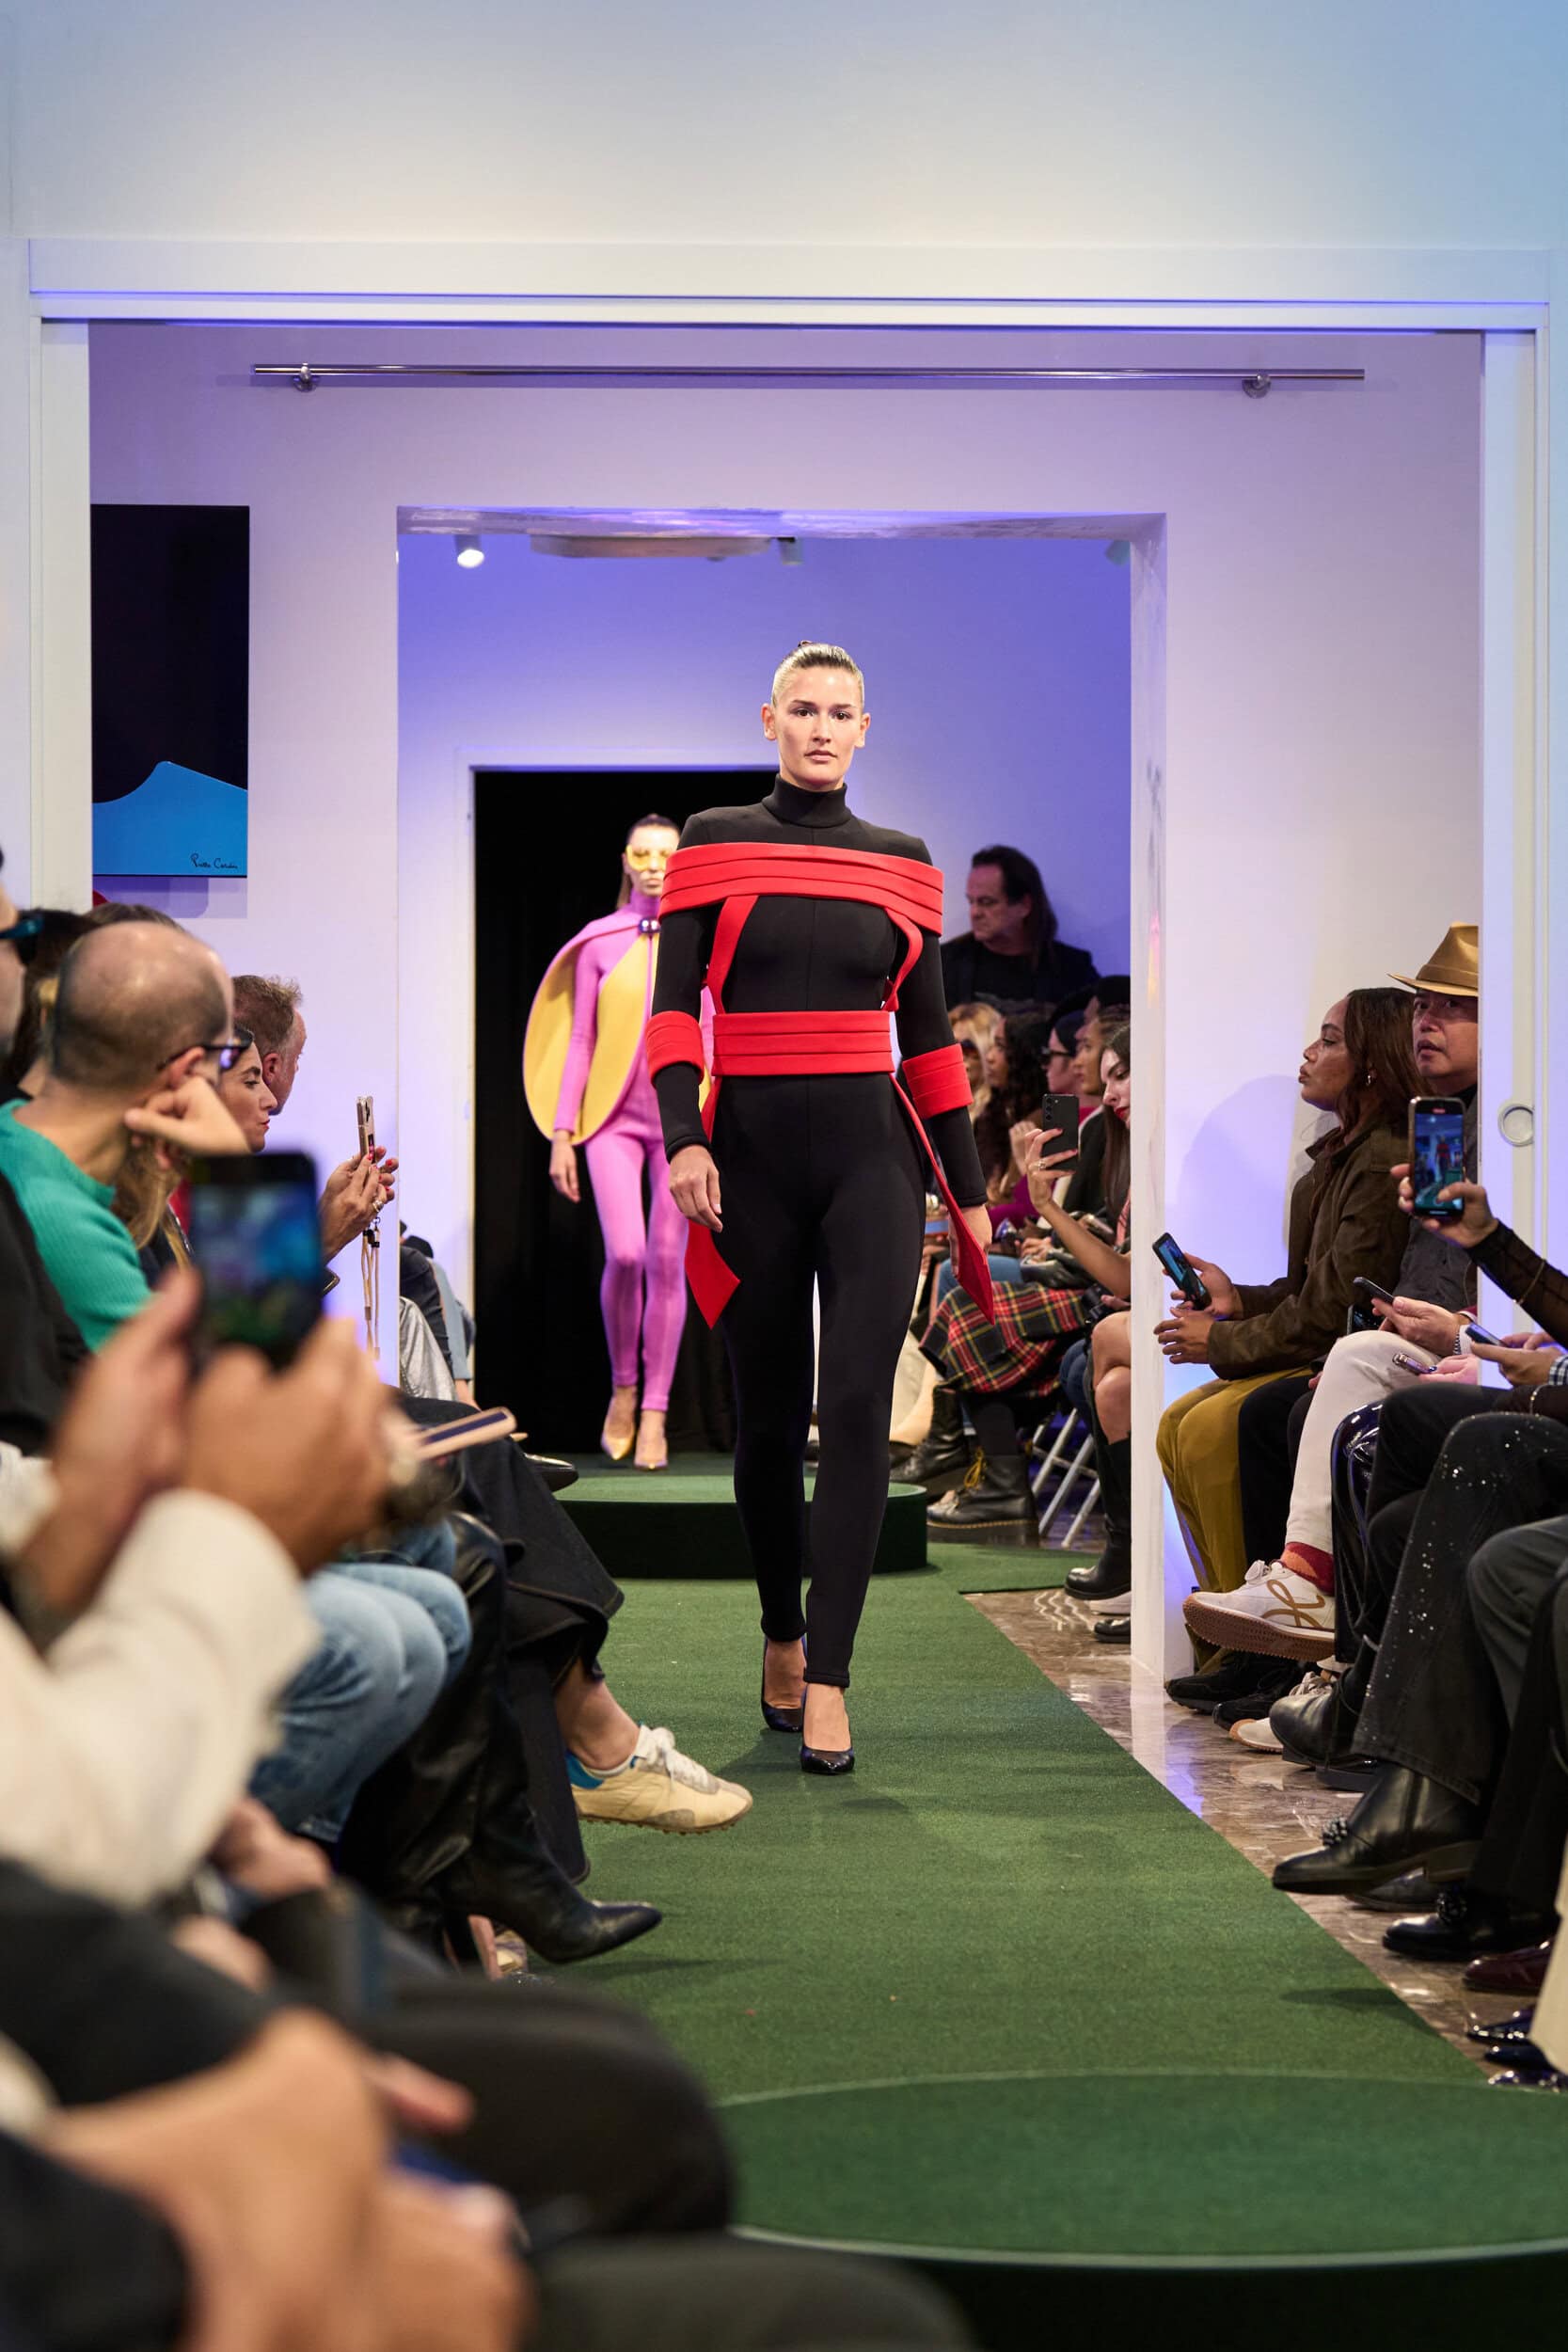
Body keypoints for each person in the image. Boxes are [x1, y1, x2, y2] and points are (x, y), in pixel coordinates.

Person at [648, 642, 992, 1772]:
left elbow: (929, 1042)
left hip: (870, 1162)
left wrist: (970, 1193)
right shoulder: (712, 840)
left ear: (863, 729)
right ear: (769, 720)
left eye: (840, 712)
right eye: (802, 709)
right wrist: (684, 1137)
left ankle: (832, 1673)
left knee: (852, 1408)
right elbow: (671, 1015)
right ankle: (781, 1629)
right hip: (742, 1155)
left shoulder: (902, 862)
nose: (820, 728)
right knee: (763, 1420)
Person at [1184, 925, 1481, 1661]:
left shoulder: (1477, 1131)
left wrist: (1225, 1336)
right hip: (1418, 1335)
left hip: (1479, 1346)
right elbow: (1407, 1271)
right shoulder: (1431, 1128)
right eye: (1422, 1006)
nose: (1427, 1021)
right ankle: (1268, 1637)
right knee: (1216, 1418)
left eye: (1452, 1007)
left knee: (1263, 1411)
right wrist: (1238, 1305)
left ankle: (1298, 1609)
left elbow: (1354, 1295)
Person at [1154, 988, 1417, 1608]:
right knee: (1176, 1423)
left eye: (1328, 1040)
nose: (1307, 1053)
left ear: (1370, 1064)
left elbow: (1332, 1310)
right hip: (1322, 1344)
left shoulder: (1380, 1160)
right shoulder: (1339, 1156)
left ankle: (1262, 1621)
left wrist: (1220, 1340)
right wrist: (1238, 1301)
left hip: (1343, 1352)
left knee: (1214, 1427)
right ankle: (1227, 1613)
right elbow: (1308, 1290)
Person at [526, 814, 690, 1472]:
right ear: (625, 860)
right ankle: (623, 1386)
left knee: (668, 1258)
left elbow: (711, 1027)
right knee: (625, 1253)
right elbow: (580, 1039)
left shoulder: (696, 936)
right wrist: (562, 1133)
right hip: (612, 1121)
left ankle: (655, 1412)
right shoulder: (599, 940)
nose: (653, 866)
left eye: (665, 855)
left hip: (679, 1121)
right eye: (642, 854)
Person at [939, 843, 1098, 1011]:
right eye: (971, 901)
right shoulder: (944, 963)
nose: (974, 913)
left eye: (987, 902)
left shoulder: (1073, 969)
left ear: (1024, 905)